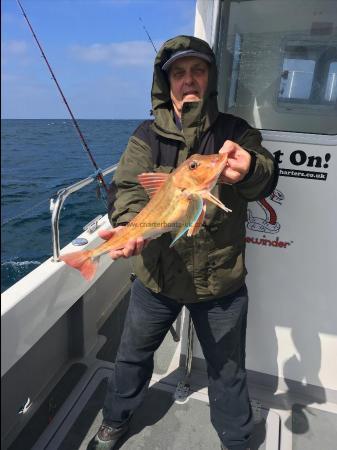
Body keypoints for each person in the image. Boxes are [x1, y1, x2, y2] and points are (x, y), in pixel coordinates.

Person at [91, 35, 278, 450]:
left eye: (198, 70)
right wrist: (127, 229)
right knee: (131, 357)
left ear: (210, 77)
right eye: (179, 72)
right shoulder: (146, 136)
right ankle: (115, 421)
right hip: (157, 275)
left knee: (228, 371)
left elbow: (264, 173)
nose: (188, 79)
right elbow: (126, 191)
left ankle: (237, 439)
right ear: (166, 82)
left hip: (220, 280)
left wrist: (248, 170)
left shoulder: (236, 133)